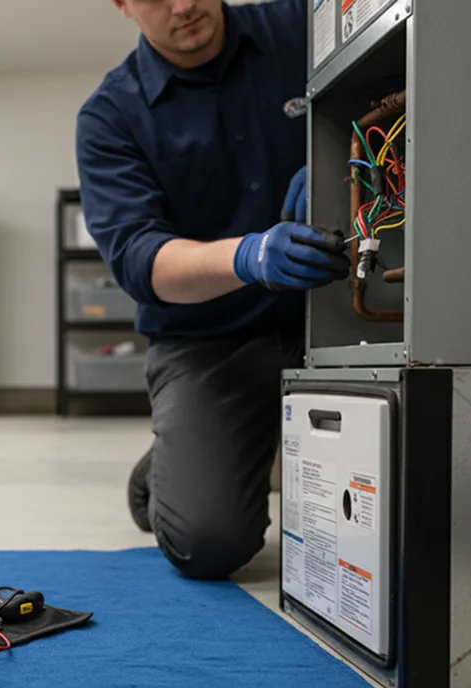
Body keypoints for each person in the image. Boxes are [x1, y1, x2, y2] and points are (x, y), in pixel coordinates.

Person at [76, 0, 349, 580]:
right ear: (122, 5)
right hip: (210, 342)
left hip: (332, 310)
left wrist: (340, 148)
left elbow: (384, 87)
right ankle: (167, 467)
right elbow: (140, 260)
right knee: (209, 542)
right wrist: (249, 256)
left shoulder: (304, 24)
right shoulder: (111, 115)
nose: (183, 6)